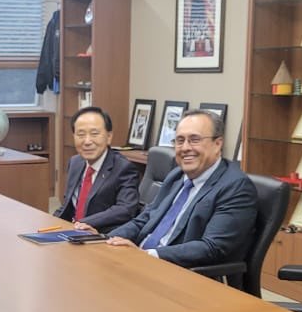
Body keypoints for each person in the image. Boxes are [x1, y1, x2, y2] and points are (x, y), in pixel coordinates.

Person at [100, 109, 257, 267]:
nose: (185, 147)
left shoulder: (235, 187)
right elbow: (145, 219)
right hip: (141, 260)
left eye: (194, 140)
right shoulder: (177, 175)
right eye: (179, 141)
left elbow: (212, 247)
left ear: (217, 144)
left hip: (179, 270)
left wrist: (147, 255)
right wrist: (106, 240)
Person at [54, 106, 140, 234]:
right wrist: (51, 222)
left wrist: (82, 223)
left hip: (100, 235)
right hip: (72, 232)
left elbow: (125, 209)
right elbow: (68, 206)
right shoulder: (75, 162)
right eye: (81, 134)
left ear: (109, 136)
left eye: (94, 134)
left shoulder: (123, 168)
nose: (87, 141)